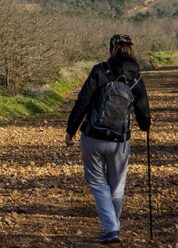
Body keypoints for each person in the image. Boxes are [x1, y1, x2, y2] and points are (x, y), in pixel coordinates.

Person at [65, 34, 151, 245]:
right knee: (117, 183)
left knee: (97, 182)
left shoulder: (100, 70)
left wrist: (71, 129)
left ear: (111, 48)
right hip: (120, 140)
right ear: (131, 49)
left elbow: (83, 101)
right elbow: (142, 107)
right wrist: (145, 125)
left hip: (93, 136)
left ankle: (111, 228)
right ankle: (114, 226)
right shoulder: (136, 77)